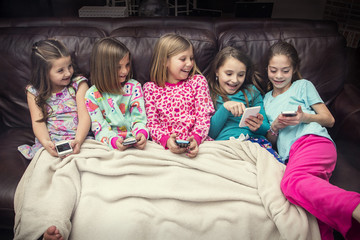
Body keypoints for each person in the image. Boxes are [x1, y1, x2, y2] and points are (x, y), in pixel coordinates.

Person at [262, 41, 360, 240]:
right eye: (274, 70)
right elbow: (270, 140)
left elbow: (329, 120)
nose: (279, 76)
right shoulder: (265, 99)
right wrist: (275, 127)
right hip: (290, 156)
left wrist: (304, 117)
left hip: (312, 141)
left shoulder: (302, 86)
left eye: (285, 70)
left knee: (291, 182)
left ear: (294, 69)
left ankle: (356, 206)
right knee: (308, 212)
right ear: (267, 70)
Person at [16, 39, 91, 240]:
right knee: (43, 181)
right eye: (60, 70)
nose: (67, 73)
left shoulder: (78, 84)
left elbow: (85, 116)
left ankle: (61, 225)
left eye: (69, 66)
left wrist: (78, 140)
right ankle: (41, 228)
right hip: (50, 144)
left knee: (71, 178)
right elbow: (38, 121)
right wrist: (46, 143)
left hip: (78, 141)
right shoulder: (34, 91)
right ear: (44, 72)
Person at [143, 33, 215, 158]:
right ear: (164, 61)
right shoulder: (150, 89)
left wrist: (196, 139)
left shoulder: (197, 82)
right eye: (183, 59)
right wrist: (166, 141)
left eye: (191, 58)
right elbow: (151, 123)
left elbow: (204, 117)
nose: (189, 63)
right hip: (163, 146)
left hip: (197, 144)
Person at [207, 46, 281, 162]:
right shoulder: (208, 93)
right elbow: (210, 133)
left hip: (253, 143)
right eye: (229, 73)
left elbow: (267, 129)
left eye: (240, 75)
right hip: (224, 146)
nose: (235, 80)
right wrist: (225, 108)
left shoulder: (252, 92)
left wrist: (258, 126)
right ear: (217, 71)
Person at [85, 37, 148, 151]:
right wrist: (113, 141)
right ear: (103, 69)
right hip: (110, 144)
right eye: (118, 67)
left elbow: (139, 118)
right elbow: (99, 128)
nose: (125, 71)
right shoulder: (92, 95)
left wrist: (142, 133)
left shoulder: (134, 87)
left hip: (135, 141)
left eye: (127, 65)